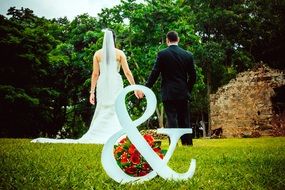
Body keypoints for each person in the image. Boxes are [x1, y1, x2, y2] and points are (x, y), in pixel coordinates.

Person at [31, 29, 141, 144]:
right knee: (116, 107)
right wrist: (135, 88)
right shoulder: (120, 53)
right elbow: (127, 72)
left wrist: (92, 92)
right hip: (116, 82)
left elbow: (95, 74)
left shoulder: (98, 54)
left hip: (102, 82)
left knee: (103, 106)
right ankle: (118, 134)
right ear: (114, 39)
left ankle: (99, 132)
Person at [145, 31, 196, 146]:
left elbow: (155, 73)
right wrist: (187, 89)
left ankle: (173, 144)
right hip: (183, 92)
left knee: (171, 117)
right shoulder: (188, 55)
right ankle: (187, 144)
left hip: (168, 92)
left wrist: (147, 87)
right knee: (184, 118)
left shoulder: (162, 54)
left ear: (167, 40)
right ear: (178, 39)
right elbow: (193, 76)